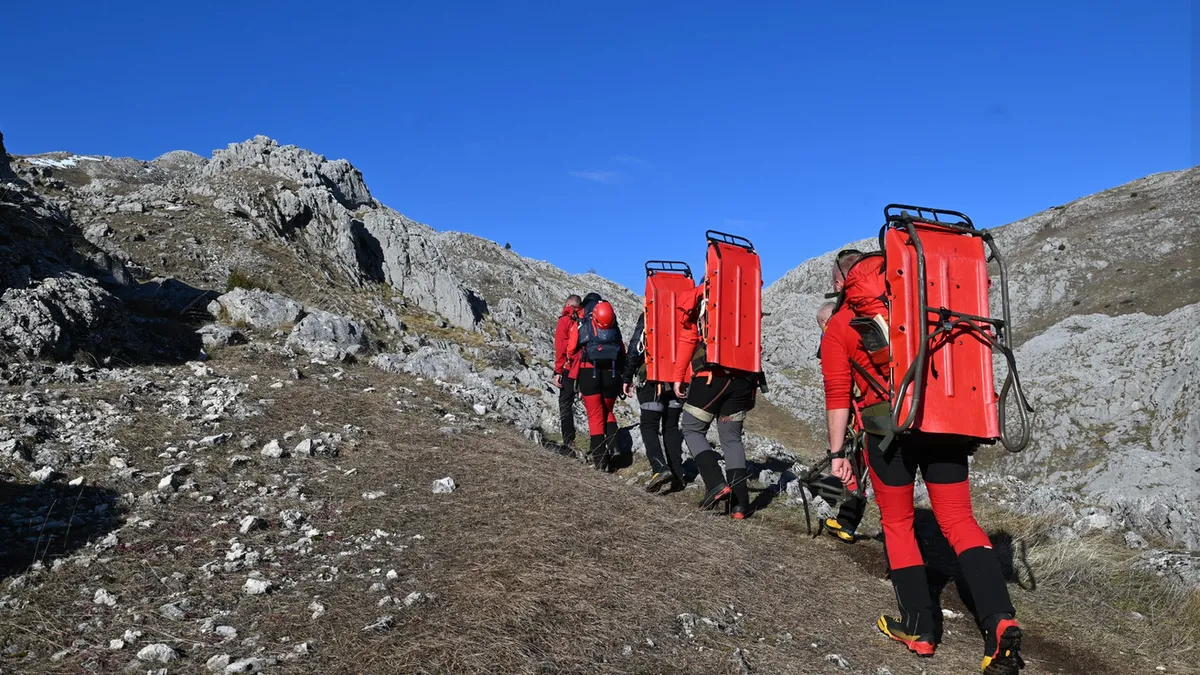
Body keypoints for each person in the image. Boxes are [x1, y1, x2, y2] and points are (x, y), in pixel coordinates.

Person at [821, 253, 1022, 673]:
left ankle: (919, 629)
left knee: (898, 523)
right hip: (945, 421)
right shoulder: (923, 303)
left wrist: (838, 454)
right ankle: (999, 620)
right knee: (960, 521)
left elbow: (838, 394)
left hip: (888, 431)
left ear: (842, 283)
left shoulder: (840, 324)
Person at [672, 284, 760, 520]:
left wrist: (678, 377)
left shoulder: (701, 295)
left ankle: (715, 483)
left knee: (691, 428)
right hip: (744, 378)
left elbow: (688, 337)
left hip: (711, 376)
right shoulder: (745, 294)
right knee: (731, 439)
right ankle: (740, 506)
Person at [815, 298, 866, 544]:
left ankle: (847, 523)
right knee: (858, 467)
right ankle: (846, 522)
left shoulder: (836, 336)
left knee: (856, 466)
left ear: (825, 321)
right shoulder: (858, 329)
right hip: (868, 411)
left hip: (858, 415)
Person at [622, 312, 686, 494]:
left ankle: (659, 467)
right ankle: (678, 475)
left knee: (649, 426)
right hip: (677, 379)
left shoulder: (649, 313)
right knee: (671, 427)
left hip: (652, 378)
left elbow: (635, 347)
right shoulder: (683, 315)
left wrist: (627, 377)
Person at [568, 293, 626, 471]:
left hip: (588, 372)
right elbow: (622, 351)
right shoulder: (614, 327)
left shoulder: (583, 323)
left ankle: (600, 460)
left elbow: (571, 348)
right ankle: (614, 447)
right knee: (608, 410)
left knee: (595, 416)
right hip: (612, 373)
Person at [553, 294, 583, 451]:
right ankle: (604, 445)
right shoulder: (587, 319)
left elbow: (560, 348)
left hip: (569, 368)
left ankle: (569, 441)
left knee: (565, 403)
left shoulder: (564, 320)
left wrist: (557, 371)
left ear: (567, 305)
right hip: (587, 367)